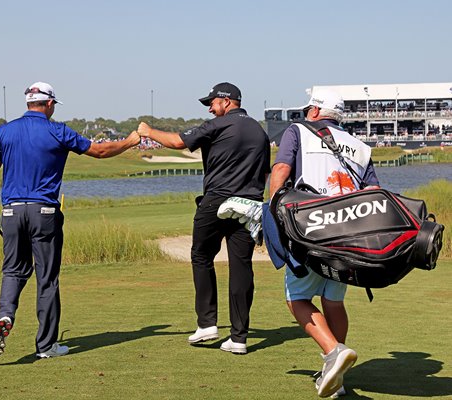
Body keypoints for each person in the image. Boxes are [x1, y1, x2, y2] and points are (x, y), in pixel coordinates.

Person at [0, 81, 140, 359]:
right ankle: (46, 346)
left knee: (13, 271)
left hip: (11, 212)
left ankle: (5, 315)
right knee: (47, 278)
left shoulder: (5, 132)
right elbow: (100, 151)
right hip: (44, 213)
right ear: (50, 104)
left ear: (28, 103)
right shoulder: (58, 131)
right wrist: (129, 141)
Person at [137, 82, 270, 354]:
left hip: (217, 201)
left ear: (227, 101)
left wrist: (147, 131)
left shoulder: (217, 125)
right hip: (250, 205)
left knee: (200, 256)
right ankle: (239, 338)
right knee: (241, 266)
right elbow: (264, 172)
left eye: (212, 102)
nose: (210, 108)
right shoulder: (259, 129)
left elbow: (177, 142)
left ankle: (207, 323)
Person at [269, 88, 380, 397]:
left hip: (311, 230)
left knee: (297, 299)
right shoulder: (360, 145)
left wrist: (274, 213)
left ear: (316, 111)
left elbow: (280, 170)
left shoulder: (298, 131)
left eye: (308, 107)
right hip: (348, 237)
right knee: (333, 299)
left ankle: (333, 352)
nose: (306, 113)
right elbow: (374, 194)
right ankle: (338, 377)